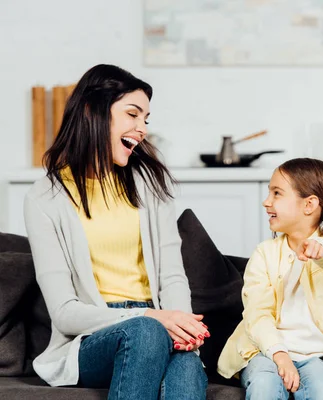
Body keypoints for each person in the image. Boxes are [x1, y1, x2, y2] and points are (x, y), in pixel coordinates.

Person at [24, 64, 209, 399]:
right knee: (145, 332)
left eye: (146, 120)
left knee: (187, 365)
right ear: (92, 110)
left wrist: (181, 325)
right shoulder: (45, 197)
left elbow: (172, 275)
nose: (142, 129)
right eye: (133, 115)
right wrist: (153, 317)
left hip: (158, 321)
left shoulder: (150, 186)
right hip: (92, 339)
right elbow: (65, 314)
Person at [217, 158, 323, 399]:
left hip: (318, 359)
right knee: (264, 386)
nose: (266, 201)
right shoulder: (264, 254)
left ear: (309, 205)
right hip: (263, 352)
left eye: (277, 193)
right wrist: (280, 356)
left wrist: (321, 249)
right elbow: (258, 314)